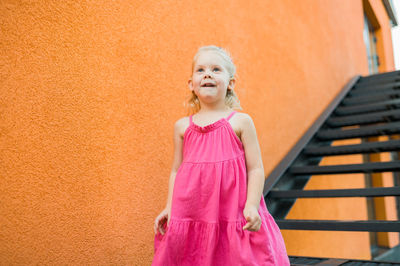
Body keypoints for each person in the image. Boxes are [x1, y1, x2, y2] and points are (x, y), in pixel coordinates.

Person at [152, 45, 290, 265]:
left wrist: (252, 205)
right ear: (191, 84)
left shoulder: (240, 122)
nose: (207, 73)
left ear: (230, 83)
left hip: (232, 211)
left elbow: (255, 168)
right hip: (192, 211)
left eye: (216, 69)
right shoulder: (181, 127)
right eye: (201, 70)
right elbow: (176, 170)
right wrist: (170, 207)